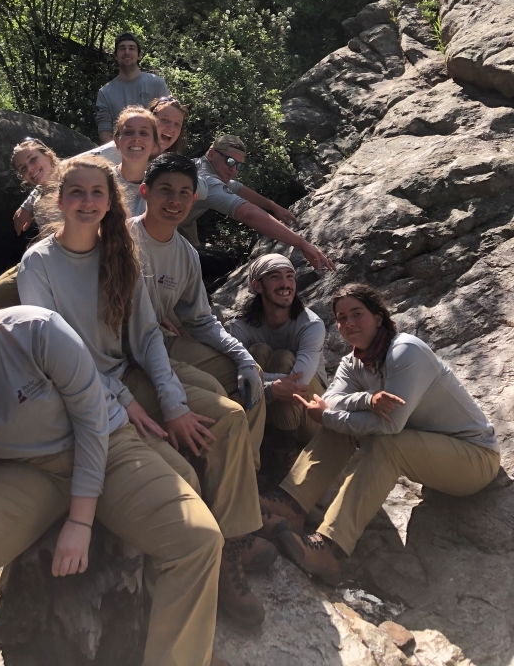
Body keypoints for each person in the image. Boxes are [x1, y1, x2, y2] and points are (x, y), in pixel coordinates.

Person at [0, 252, 226, 666]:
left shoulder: (35, 329)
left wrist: (80, 520)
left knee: (198, 540)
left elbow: (90, 419)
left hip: (107, 448)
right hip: (26, 472)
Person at [17, 155, 273, 626]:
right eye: (77, 192)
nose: (88, 201)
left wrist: (174, 403)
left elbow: (148, 336)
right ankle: (189, 576)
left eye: (98, 193)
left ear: (112, 200)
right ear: (58, 199)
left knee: (229, 418)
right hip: (83, 393)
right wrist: (124, 400)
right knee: (179, 473)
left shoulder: (122, 253)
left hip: (125, 374)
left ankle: (232, 545)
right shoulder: (38, 263)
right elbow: (53, 354)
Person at [261, 283, 500, 585]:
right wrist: (367, 400)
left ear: (378, 317)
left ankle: (331, 550)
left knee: (385, 443)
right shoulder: (353, 362)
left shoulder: (405, 351)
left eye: (357, 314)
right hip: (426, 452)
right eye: (341, 317)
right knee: (338, 425)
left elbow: (390, 425)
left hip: (474, 457)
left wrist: (333, 413)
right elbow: (330, 400)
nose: (348, 323)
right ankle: (291, 503)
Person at [127, 153, 270, 476]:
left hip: (160, 344)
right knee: (218, 398)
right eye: (165, 190)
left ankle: (248, 472)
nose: (174, 200)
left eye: (183, 193)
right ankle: (222, 479)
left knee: (252, 373)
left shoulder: (186, 254)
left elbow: (201, 320)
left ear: (193, 199)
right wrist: (171, 399)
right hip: (124, 352)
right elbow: (143, 330)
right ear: (145, 192)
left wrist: (243, 356)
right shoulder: (123, 243)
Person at [179, 134, 335, 273]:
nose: (234, 169)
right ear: (212, 154)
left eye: (239, 165)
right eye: (230, 161)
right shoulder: (207, 180)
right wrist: (302, 243)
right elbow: (249, 214)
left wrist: (273, 206)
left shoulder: (198, 166)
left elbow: (237, 187)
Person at [229, 254, 327, 452]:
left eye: (290, 276)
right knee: (257, 351)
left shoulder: (310, 324)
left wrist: (265, 383)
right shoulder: (241, 326)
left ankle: (285, 452)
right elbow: (234, 375)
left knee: (282, 358)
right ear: (257, 286)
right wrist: (272, 386)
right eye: (275, 277)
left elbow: (298, 384)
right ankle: (263, 439)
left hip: (310, 415)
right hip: (266, 411)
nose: (285, 284)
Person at [0, 138, 60, 312]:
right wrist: (28, 203)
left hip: (56, 267)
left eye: (33, 159)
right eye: (23, 168)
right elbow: (41, 187)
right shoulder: (41, 189)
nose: (30, 169)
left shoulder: (73, 178)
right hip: (38, 258)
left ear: (49, 156)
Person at [95, 32, 169, 143]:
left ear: (139, 55)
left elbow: (167, 123)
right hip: (120, 155)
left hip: (154, 154)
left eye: (132, 48)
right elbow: (105, 133)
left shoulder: (157, 84)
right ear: (115, 55)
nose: (127, 52)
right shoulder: (105, 92)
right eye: (122, 48)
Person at [90, 94, 188, 166]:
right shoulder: (121, 148)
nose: (171, 128)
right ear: (150, 121)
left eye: (177, 124)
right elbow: (78, 165)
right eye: (165, 120)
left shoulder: (172, 164)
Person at [110, 105, 158, 217]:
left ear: (154, 145)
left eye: (143, 133)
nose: (136, 138)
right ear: (117, 141)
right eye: (129, 132)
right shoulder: (102, 182)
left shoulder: (159, 187)